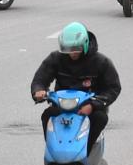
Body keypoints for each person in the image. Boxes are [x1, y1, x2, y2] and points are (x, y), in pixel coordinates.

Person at [30, 22, 120, 157]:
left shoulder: (101, 62)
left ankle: (86, 153)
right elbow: (40, 79)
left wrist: (94, 105)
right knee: (47, 115)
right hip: (62, 105)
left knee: (100, 118)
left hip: (89, 105)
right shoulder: (56, 59)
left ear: (84, 44)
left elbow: (113, 87)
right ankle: (53, 153)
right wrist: (39, 91)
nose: (72, 53)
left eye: (75, 48)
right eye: (68, 48)